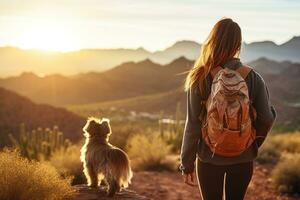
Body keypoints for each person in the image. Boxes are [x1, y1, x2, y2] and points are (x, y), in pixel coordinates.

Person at [180, 18, 276, 200]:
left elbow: (192, 124)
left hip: (209, 157)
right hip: (243, 158)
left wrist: (187, 163)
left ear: (212, 41)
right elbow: (266, 118)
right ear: (238, 44)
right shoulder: (253, 78)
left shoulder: (200, 76)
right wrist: (251, 143)